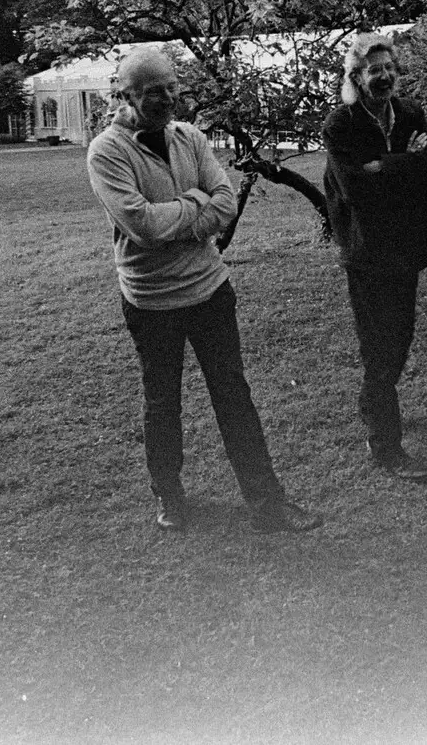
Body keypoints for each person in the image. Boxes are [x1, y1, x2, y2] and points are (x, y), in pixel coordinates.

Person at [87, 46, 323, 534]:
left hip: (210, 289)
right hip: (151, 301)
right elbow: (141, 224)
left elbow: (227, 206)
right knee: (162, 400)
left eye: (173, 86)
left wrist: (181, 208)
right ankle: (170, 498)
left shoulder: (190, 137)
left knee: (234, 396)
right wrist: (196, 204)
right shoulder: (107, 151)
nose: (169, 97)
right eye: (155, 91)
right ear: (125, 95)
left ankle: (267, 503)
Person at [322, 31, 427, 481]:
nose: (385, 76)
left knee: (401, 337)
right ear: (356, 76)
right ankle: (386, 446)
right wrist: (403, 165)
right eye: (375, 70)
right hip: (367, 251)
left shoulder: (409, 112)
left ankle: (371, 402)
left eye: (390, 68)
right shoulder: (341, 125)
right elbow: (355, 189)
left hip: (407, 245)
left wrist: (385, 165)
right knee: (378, 347)